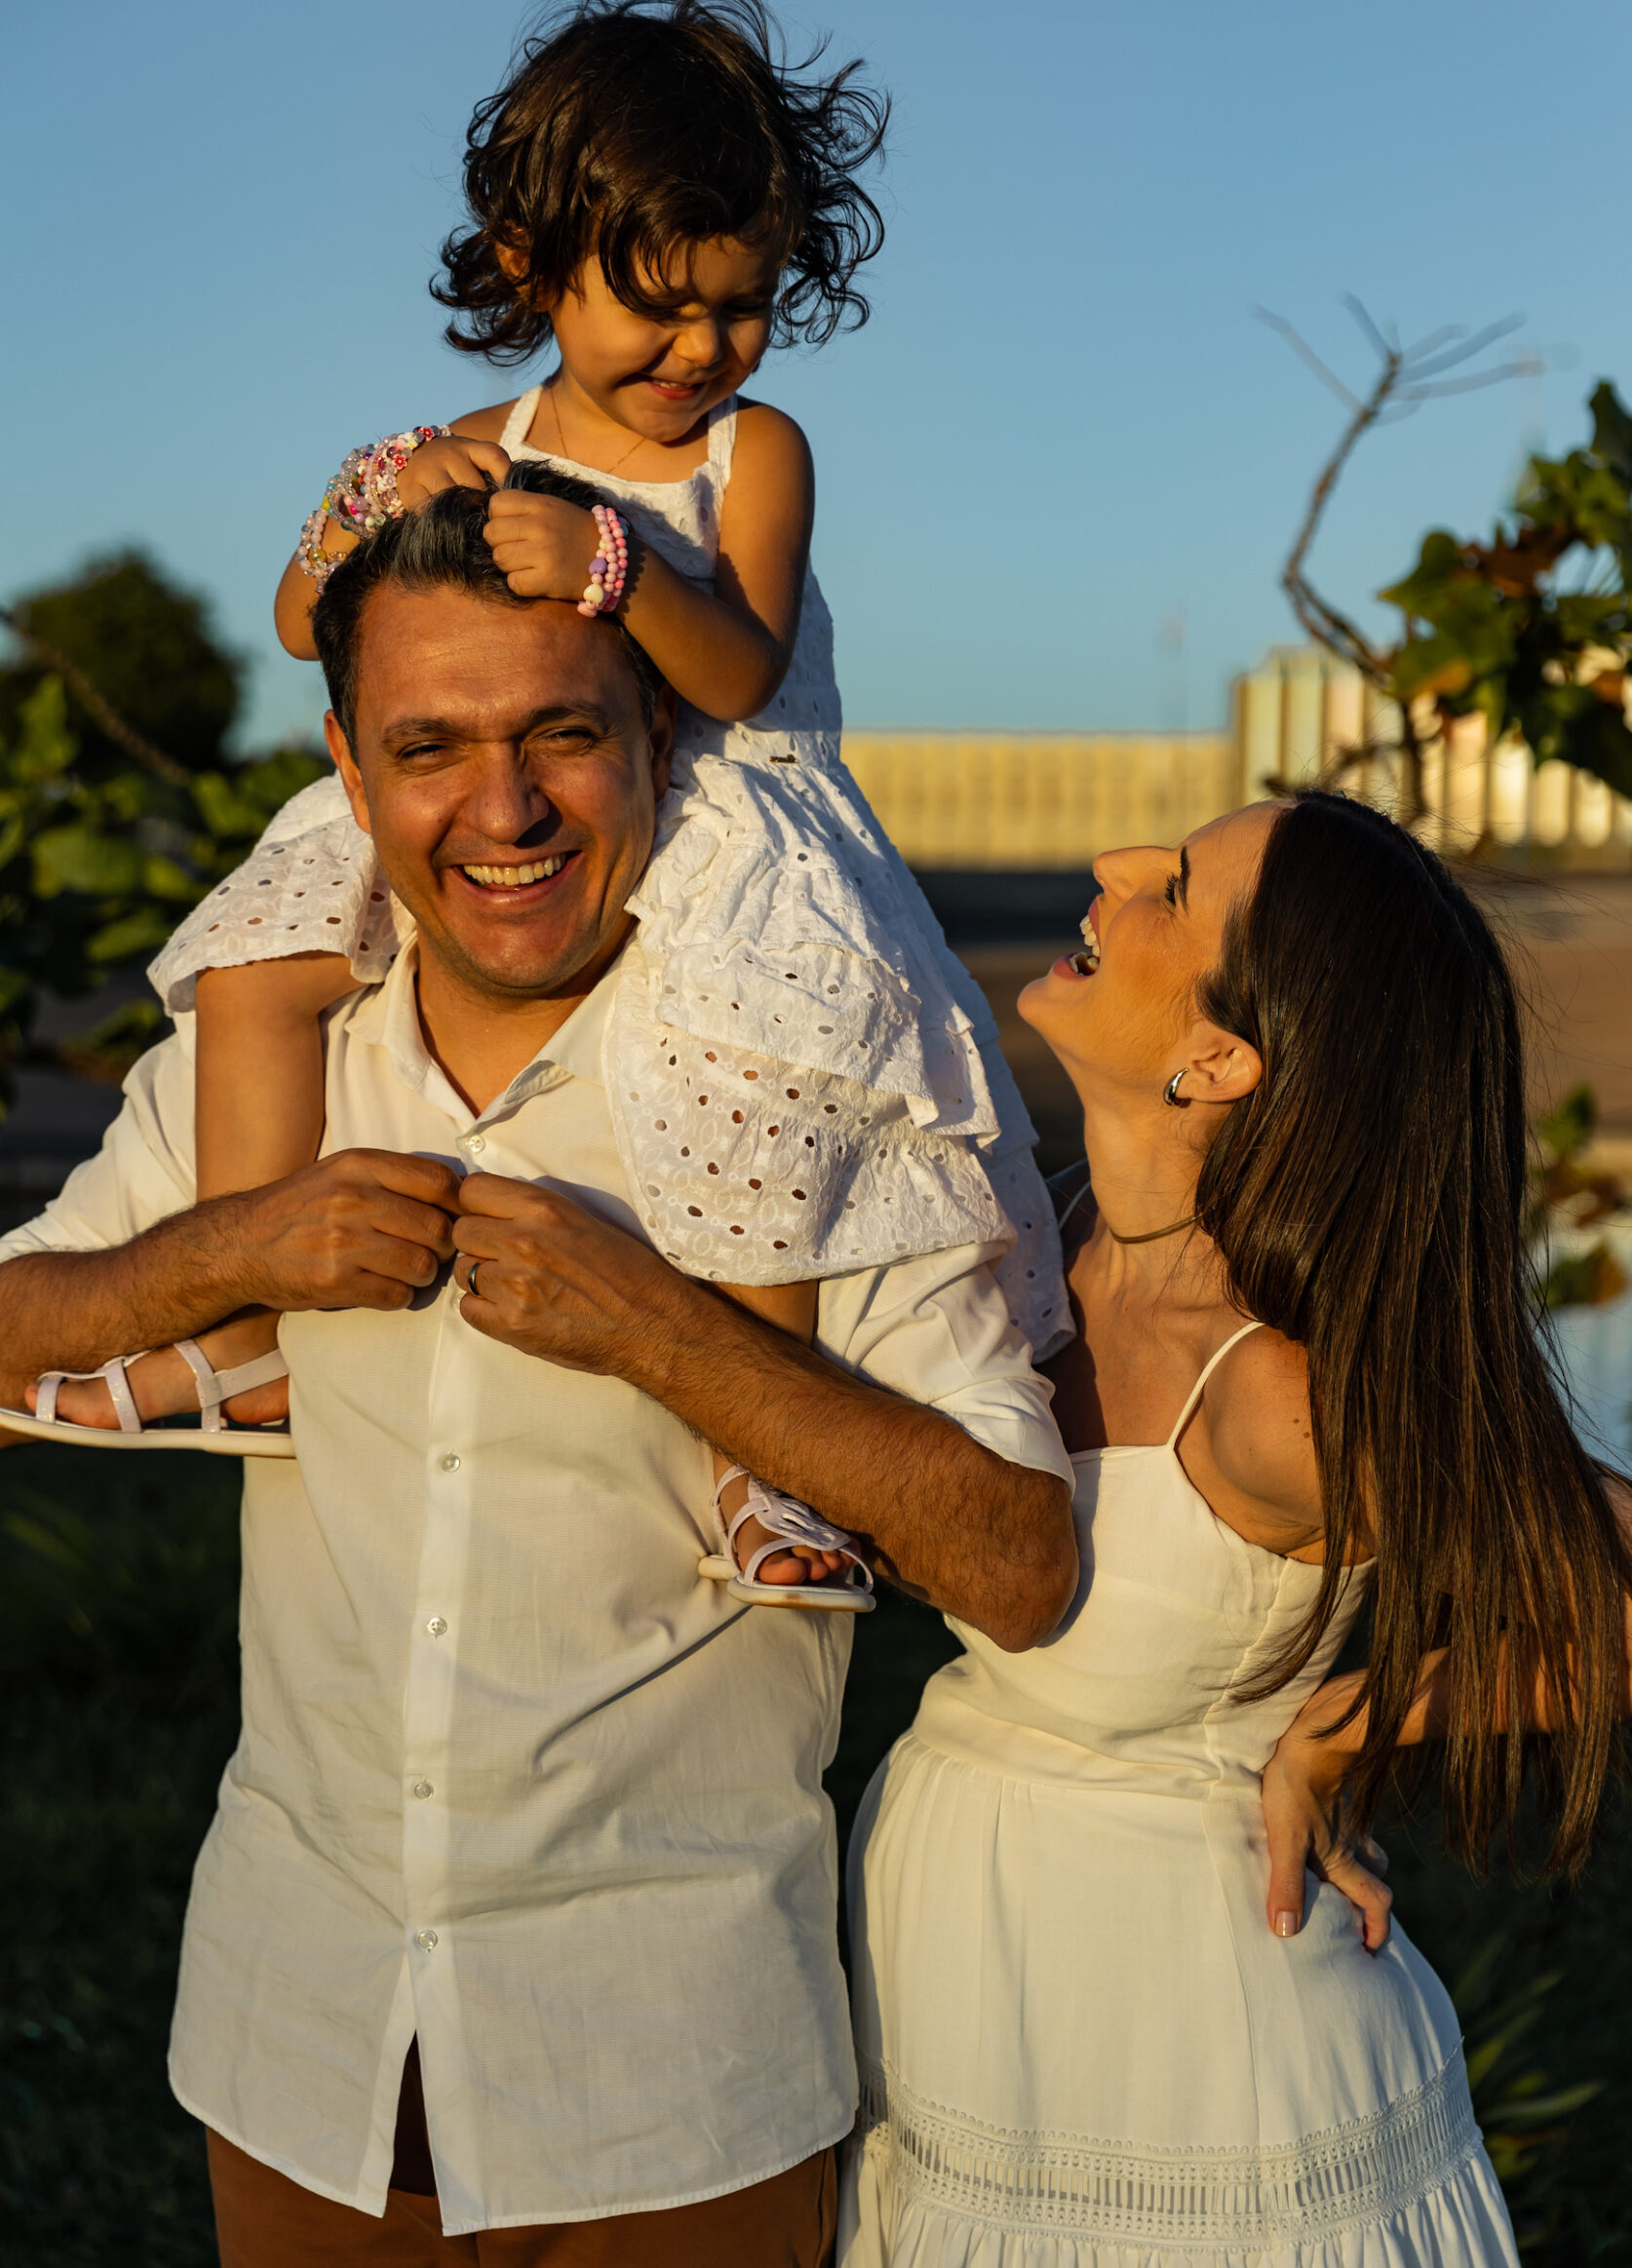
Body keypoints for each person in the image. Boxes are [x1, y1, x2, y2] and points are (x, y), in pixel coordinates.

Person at [0, 492, 1078, 2263]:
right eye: (429, 748)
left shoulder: (819, 1094)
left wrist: (660, 1326)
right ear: (348, 772)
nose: (499, 812)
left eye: (559, 734)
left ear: (659, 733)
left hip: (680, 2080)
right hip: (297, 2040)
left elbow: (1021, 1564)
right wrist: (224, 1255)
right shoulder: (258, 1072)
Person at [47, 0, 1066, 1540]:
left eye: (741, 302)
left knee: (748, 1073)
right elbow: (295, 614)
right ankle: (240, 1329)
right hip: (522, 762)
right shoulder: (478, 431)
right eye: (657, 303)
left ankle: (767, 1466)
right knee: (261, 959)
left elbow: (745, 667)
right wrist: (367, 498)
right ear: (535, 268)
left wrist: (611, 570)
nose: (702, 345)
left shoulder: (754, 453)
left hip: (721, 811)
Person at [839, 791, 1632, 2268]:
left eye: (1171, 889)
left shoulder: (1286, 1391)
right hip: (970, 2004)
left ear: (1220, 1058)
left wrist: (1357, 1723)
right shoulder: (1045, 1237)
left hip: (1196, 2077)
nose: (1108, 868)